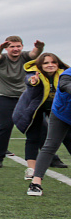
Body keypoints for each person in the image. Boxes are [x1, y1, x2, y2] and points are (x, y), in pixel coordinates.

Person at [0, 36, 44, 168]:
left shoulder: (25, 56)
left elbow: (34, 54)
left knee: (40, 126)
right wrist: (0, 48)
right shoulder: (1, 58)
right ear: (7, 48)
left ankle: (51, 157)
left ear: (22, 46)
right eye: (12, 47)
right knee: (4, 127)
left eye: (18, 46)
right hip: (4, 96)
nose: (15, 49)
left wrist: (39, 47)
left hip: (25, 96)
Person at [14, 53, 68, 182]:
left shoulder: (64, 74)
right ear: (40, 65)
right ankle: (31, 169)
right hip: (33, 109)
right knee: (33, 136)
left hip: (56, 109)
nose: (50, 65)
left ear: (58, 63)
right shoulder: (33, 74)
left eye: (53, 62)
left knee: (68, 136)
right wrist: (34, 81)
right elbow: (30, 81)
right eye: (46, 63)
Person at [27, 62, 71, 196]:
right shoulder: (67, 74)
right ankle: (35, 183)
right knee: (51, 145)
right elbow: (65, 85)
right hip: (62, 114)